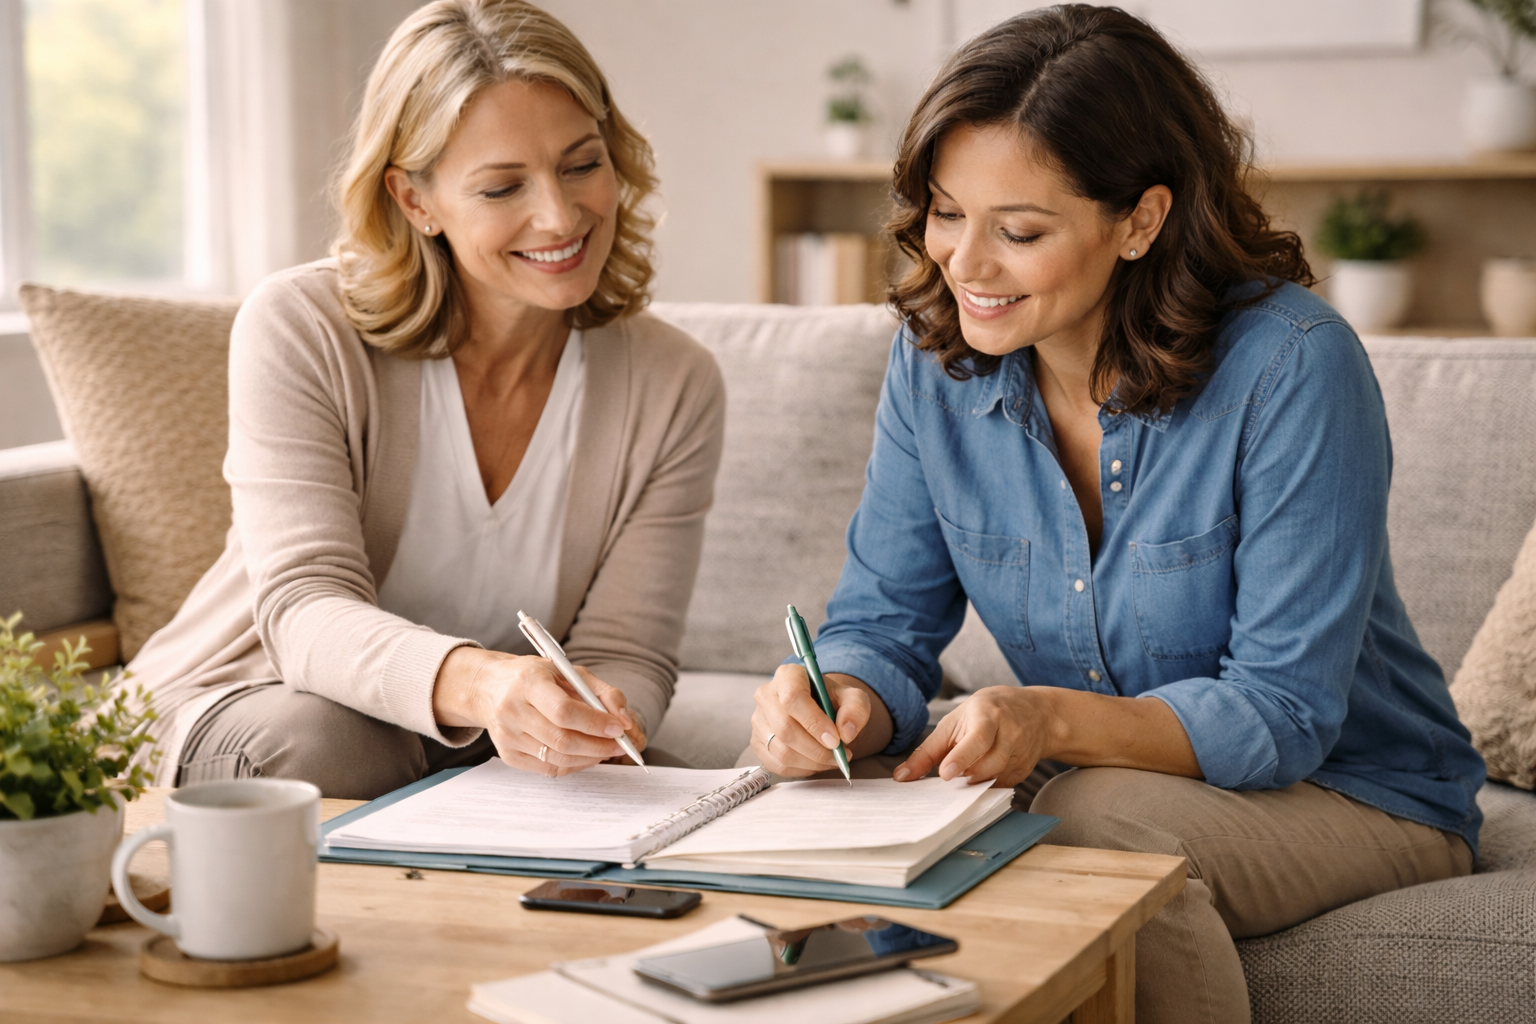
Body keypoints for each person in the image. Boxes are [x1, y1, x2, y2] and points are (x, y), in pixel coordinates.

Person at [746, 7, 1484, 1022]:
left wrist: (1044, 717)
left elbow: (1283, 712)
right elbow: (881, 623)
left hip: (1359, 788)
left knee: (1092, 822)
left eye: (1020, 231)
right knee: (841, 804)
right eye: (945, 212)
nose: (964, 262)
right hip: (1092, 769)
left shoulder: (1293, 368)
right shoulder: (934, 367)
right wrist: (840, 699)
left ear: (1139, 220)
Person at [125, 0, 725, 800]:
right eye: (502, 186)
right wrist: (486, 690)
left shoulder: (673, 383)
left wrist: (592, 725)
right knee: (334, 745)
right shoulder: (302, 328)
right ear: (415, 201)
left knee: (679, 790)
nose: (559, 214)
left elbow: (628, 654)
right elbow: (305, 610)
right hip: (250, 707)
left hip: (470, 748)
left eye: (582, 164)